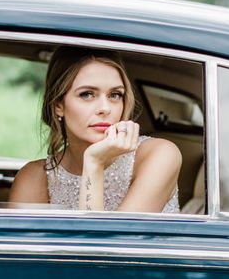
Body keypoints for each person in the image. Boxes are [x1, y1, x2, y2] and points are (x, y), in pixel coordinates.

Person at [9, 46, 181, 212]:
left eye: (115, 95)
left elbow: (108, 241)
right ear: (58, 105)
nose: (105, 108)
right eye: (87, 94)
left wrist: (93, 163)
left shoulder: (160, 155)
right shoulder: (34, 177)